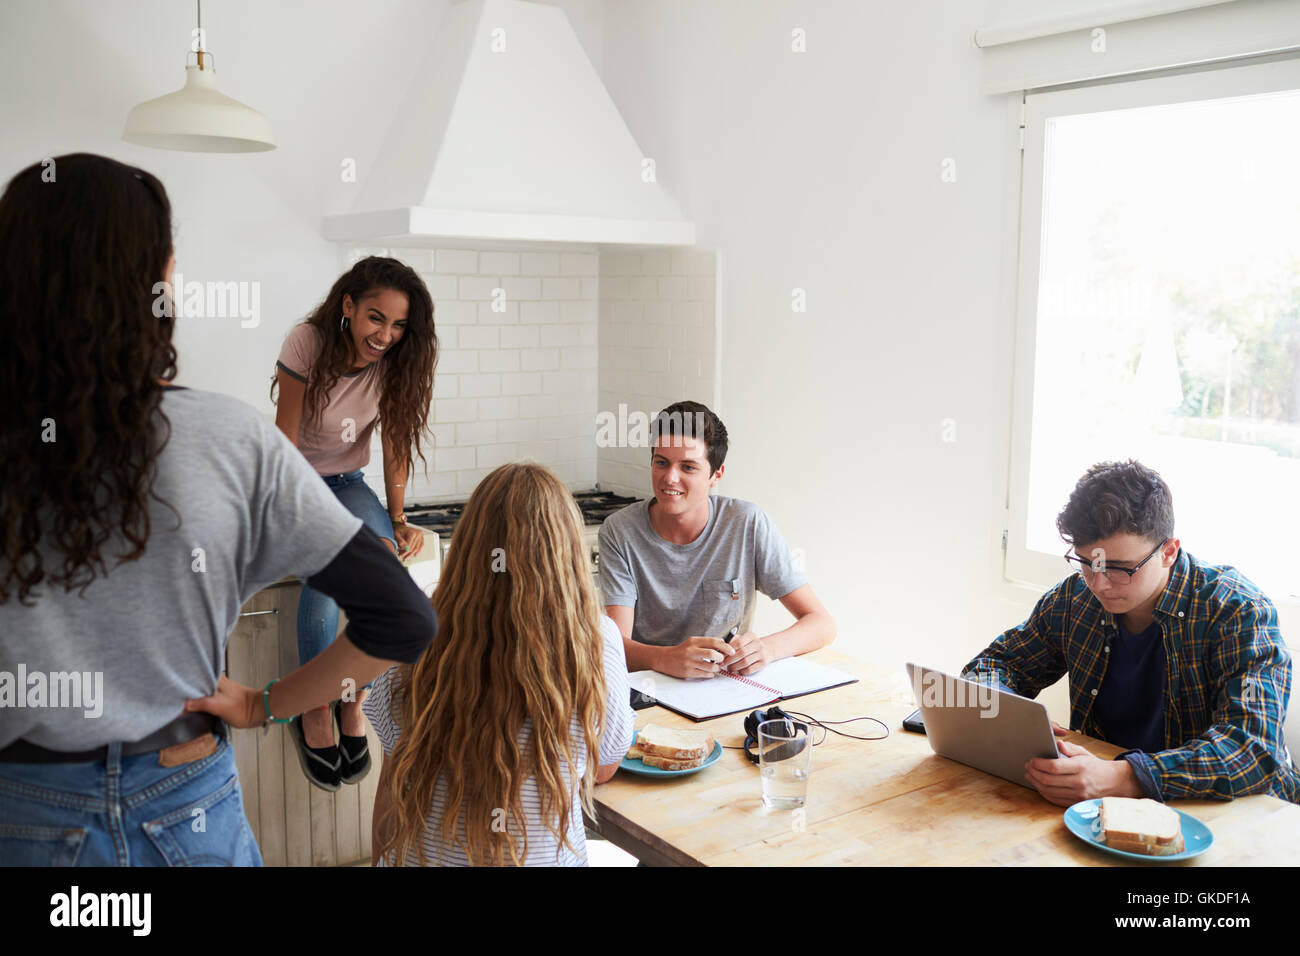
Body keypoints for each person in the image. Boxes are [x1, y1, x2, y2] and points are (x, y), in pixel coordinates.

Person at [0, 153, 436, 866]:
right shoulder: (230, 439)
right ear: (160, 282)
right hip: (187, 798)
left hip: (22, 805)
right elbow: (404, 618)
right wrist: (267, 704)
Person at [963, 460, 1297, 806]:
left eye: (1120, 569)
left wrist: (1125, 776)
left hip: (1244, 815)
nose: (1099, 584)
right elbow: (994, 666)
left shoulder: (1237, 609)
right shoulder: (1074, 598)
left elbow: (1253, 750)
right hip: (1110, 808)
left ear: (1169, 552)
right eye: (1085, 563)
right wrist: (1016, 722)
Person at [363, 463, 634, 866]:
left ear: (469, 547)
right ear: (568, 551)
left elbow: (390, 792)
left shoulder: (411, 638)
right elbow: (604, 767)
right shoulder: (596, 642)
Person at [271, 257, 437, 790]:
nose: (385, 335)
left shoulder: (395, 362)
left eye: (397, 325)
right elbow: (285, 440)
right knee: (327, 574)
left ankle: (354, 697)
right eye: (374, 318)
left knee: (386, 574)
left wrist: (398, 518)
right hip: (298, 484)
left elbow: (395, 445)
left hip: (349, 484)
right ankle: (313, 708)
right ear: (348, 307)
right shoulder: (306, 343)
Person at [599, 400, 835, 679]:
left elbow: (822, 624)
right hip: (649, 691)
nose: (669, 478)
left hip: (727, 689)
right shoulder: (619, 531)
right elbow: (615, 650)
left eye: (688, 467)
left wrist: (768, 649)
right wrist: (666, 658)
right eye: (661, 463)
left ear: (716, 475)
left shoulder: (747, 522)